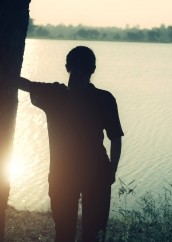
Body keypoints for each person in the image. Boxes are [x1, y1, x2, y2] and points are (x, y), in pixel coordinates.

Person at [18, 46, 124, 241]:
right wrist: (112, 170)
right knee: (86, 235)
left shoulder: (54, 94)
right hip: (92, 174)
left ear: (67, 66)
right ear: (93, 69)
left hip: (71, 175)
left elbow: (24, 84)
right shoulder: (103, 98)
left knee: (69, 234)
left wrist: (111, 171)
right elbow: (115, 138)